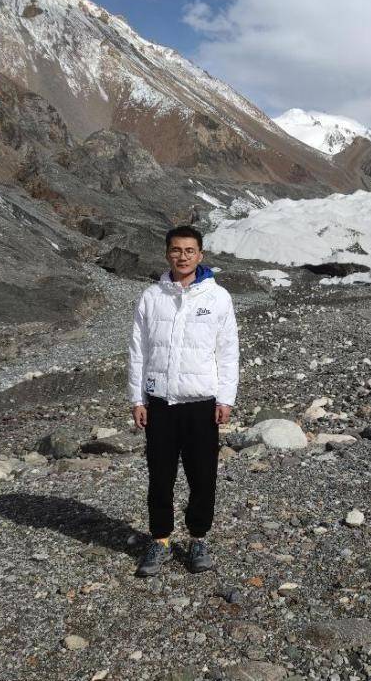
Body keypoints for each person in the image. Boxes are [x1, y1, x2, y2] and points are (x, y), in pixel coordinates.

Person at [127, 225, 239, 575]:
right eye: (176, 250)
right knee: (159, 476)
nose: (183, 256)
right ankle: (159, 539)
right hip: (160, 403)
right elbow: (137, 351)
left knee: (202, 477)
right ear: (167, 253)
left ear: (200, 255)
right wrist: (137, 398)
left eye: (190, 250)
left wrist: (226, 398)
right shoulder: (151, 297)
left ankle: (198, 538)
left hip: (201, 403)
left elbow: (228, 351)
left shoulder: (217, 298)